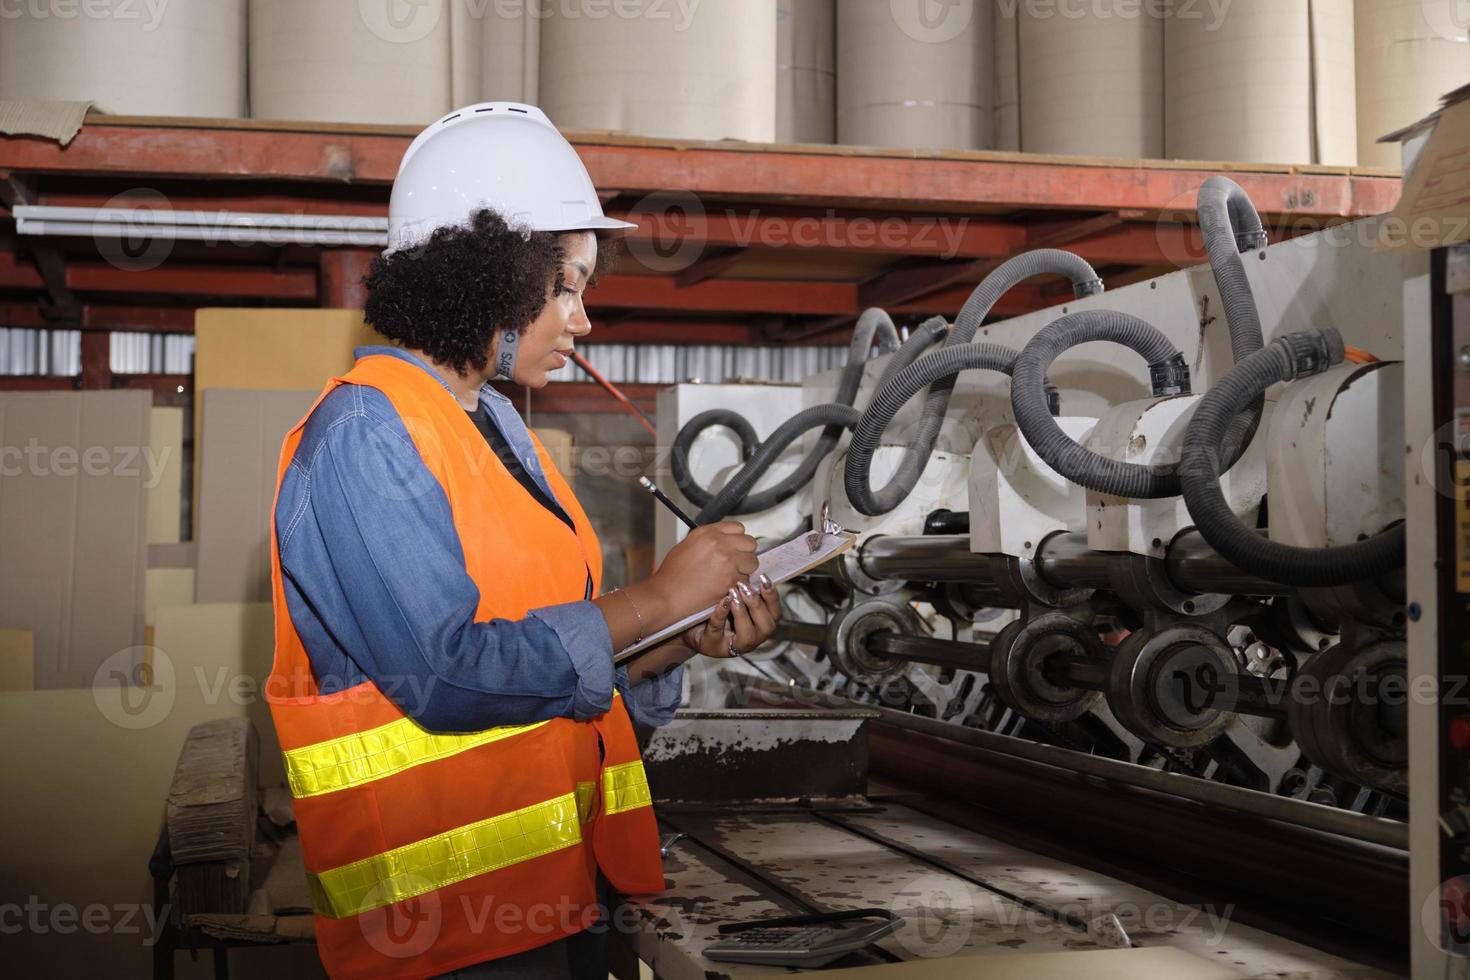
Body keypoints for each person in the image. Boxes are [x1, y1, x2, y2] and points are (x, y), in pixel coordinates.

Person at [265, 103, 782, 980]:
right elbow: (446, 674)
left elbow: (545, 657)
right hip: (442, 935)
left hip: (557, 900)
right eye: (568, 286)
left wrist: (669, 640)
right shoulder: (365, 432)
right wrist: (654, 598)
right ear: (494, 279)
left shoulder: (498, 427)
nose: (582, 320)